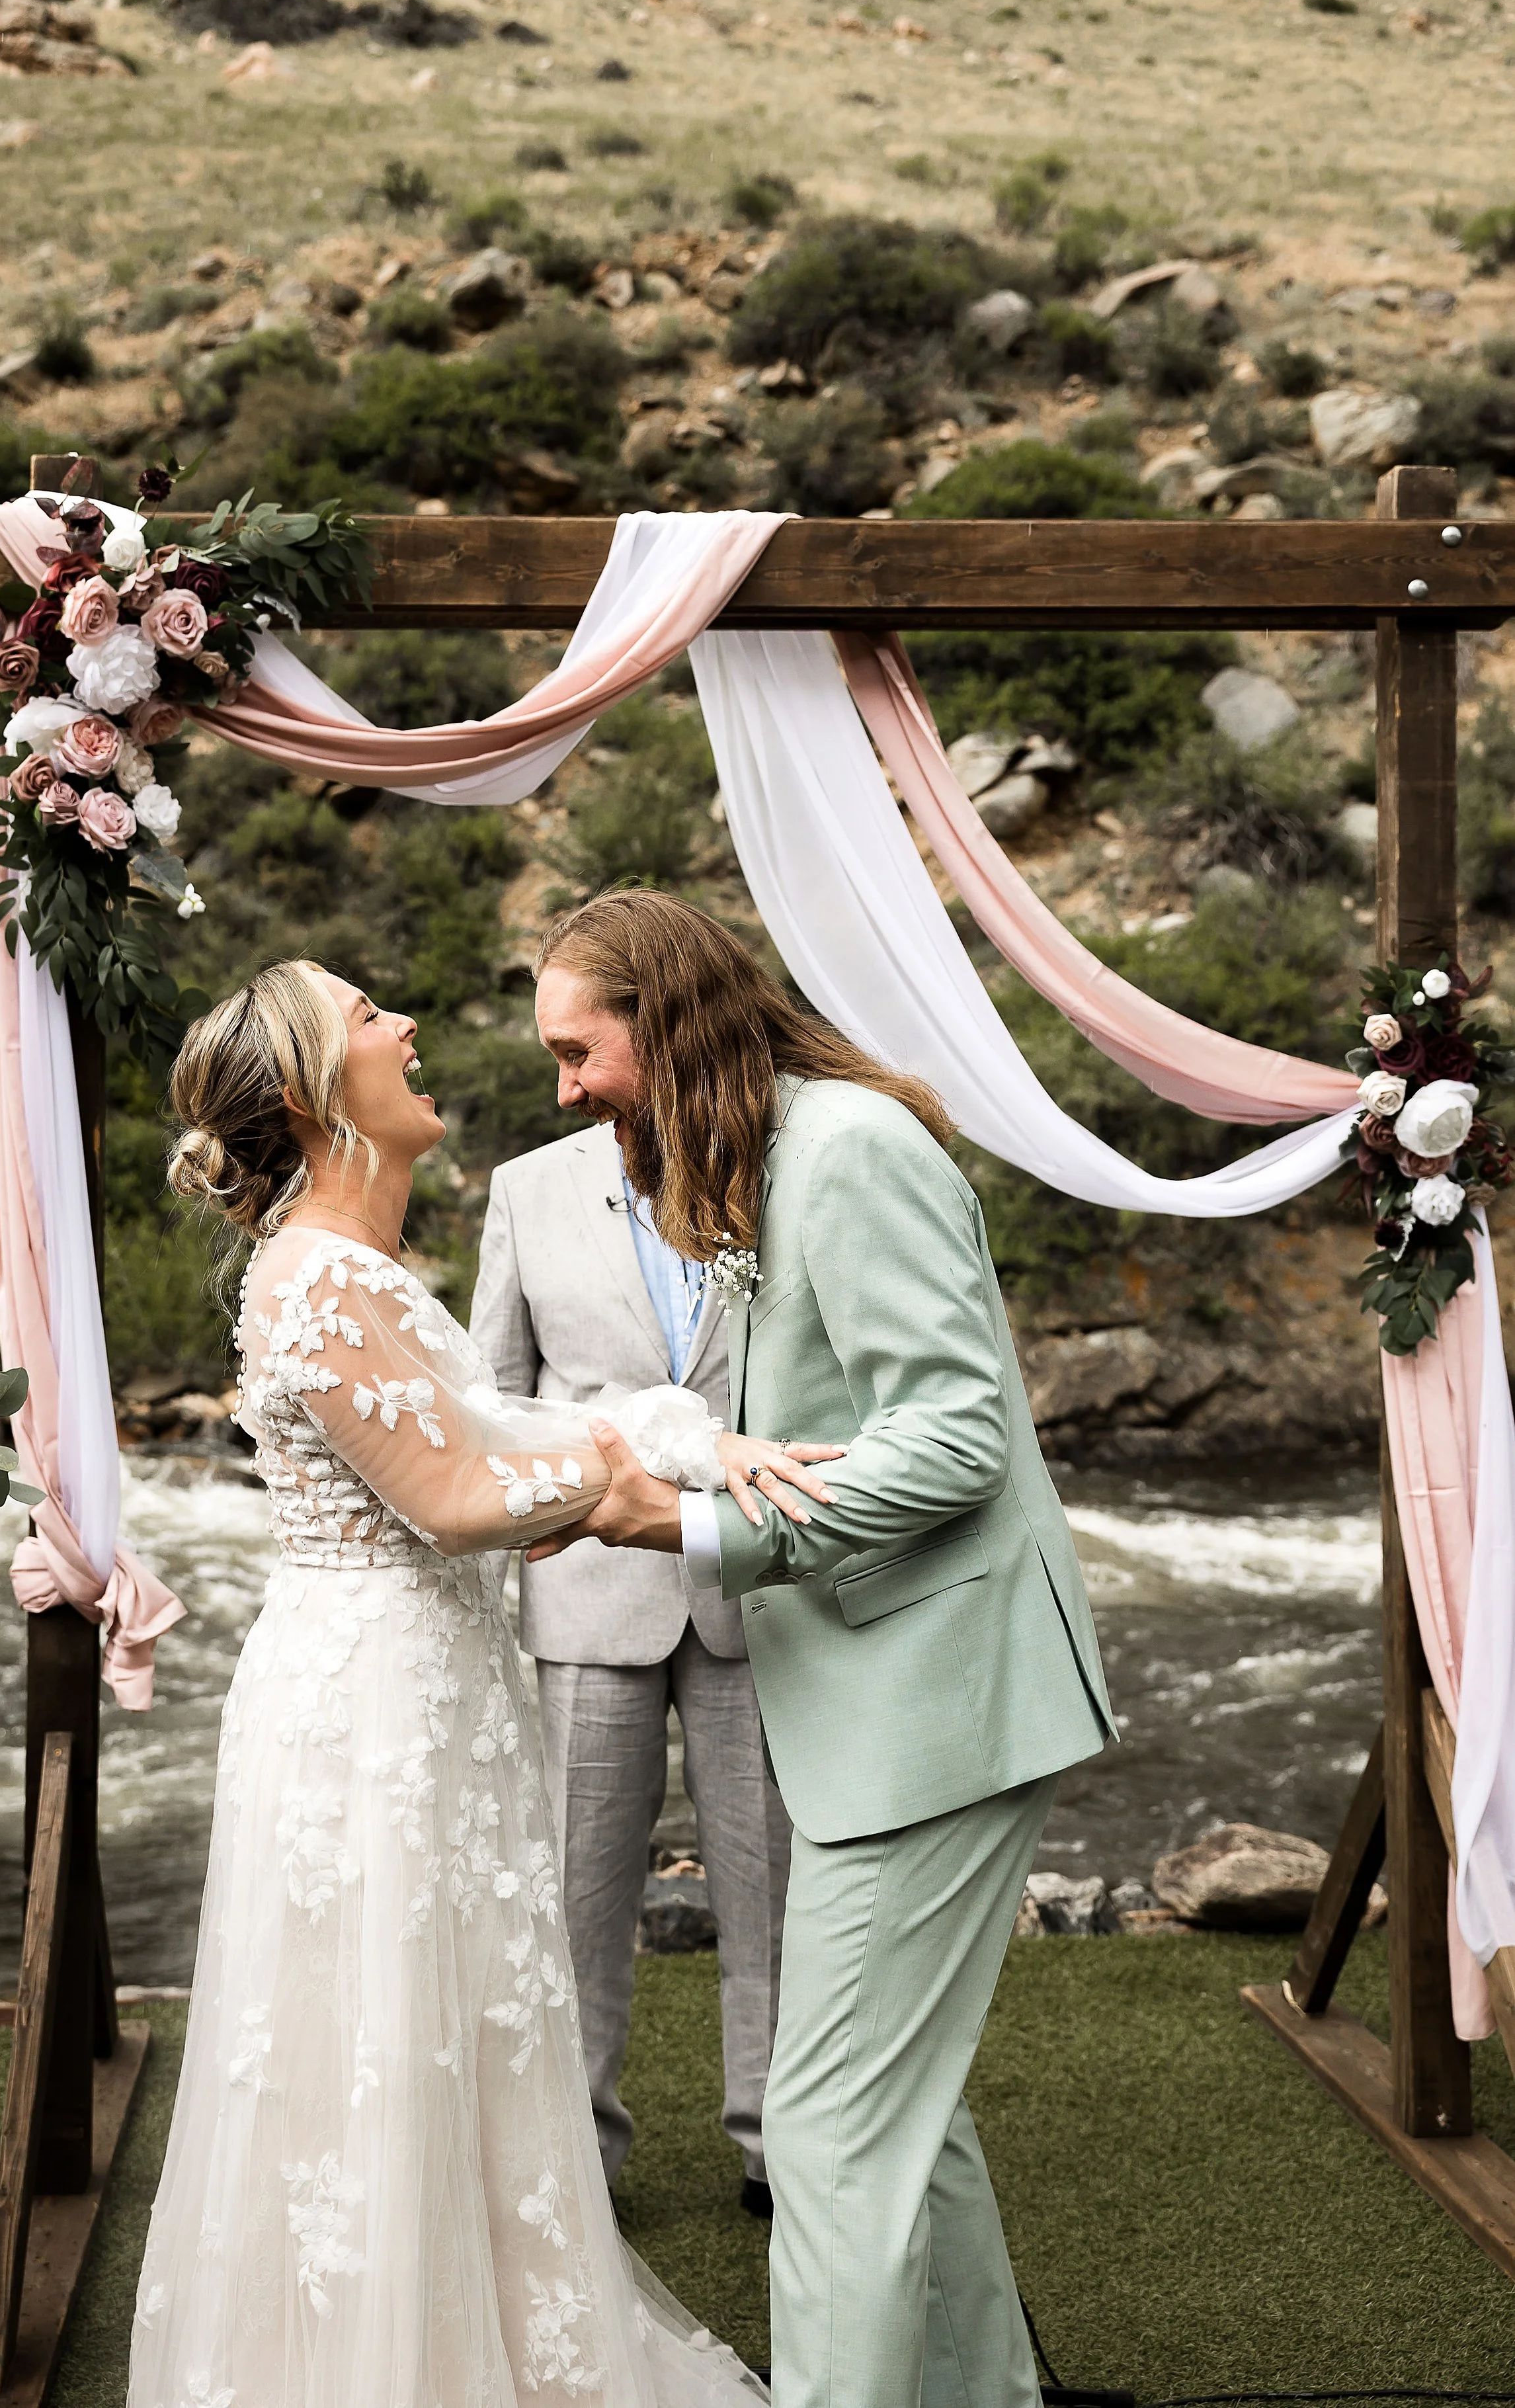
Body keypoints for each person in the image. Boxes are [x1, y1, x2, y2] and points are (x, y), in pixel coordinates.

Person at [129, 958, 839, 2408]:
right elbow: (452, 1493)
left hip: (427, 1682)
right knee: (377, 2028)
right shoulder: (319, 1274)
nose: (404, 1024)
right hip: (373, 1702)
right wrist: (646, 1458)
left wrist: (674, 1436)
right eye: (365, 1017)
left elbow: (485, 1422)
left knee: (456, 2018)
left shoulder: (352, 1263)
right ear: (321, 1091)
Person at [525, 890, 1117, 2408]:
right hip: (885, 1707)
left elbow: (960, 1438)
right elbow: (830, 1421)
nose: (565, 1089)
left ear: (660, 1025)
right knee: (902, 2117)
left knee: (828, 2133)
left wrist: (693, 1525)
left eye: (575, 1051)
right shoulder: (771, 1151)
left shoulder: (847, 1152)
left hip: (937, 1706)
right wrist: (703, 1462)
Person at [471, 1110, 788, 2213]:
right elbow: (492, 1405)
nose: (561, 1086)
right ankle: (576, 2150)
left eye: (579, 1048)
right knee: (575, 1889)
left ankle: (776, 2145)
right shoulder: (525, 1184)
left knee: (772, 1884)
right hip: (589, 1588)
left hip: (754, 1582)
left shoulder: (775, 1159)